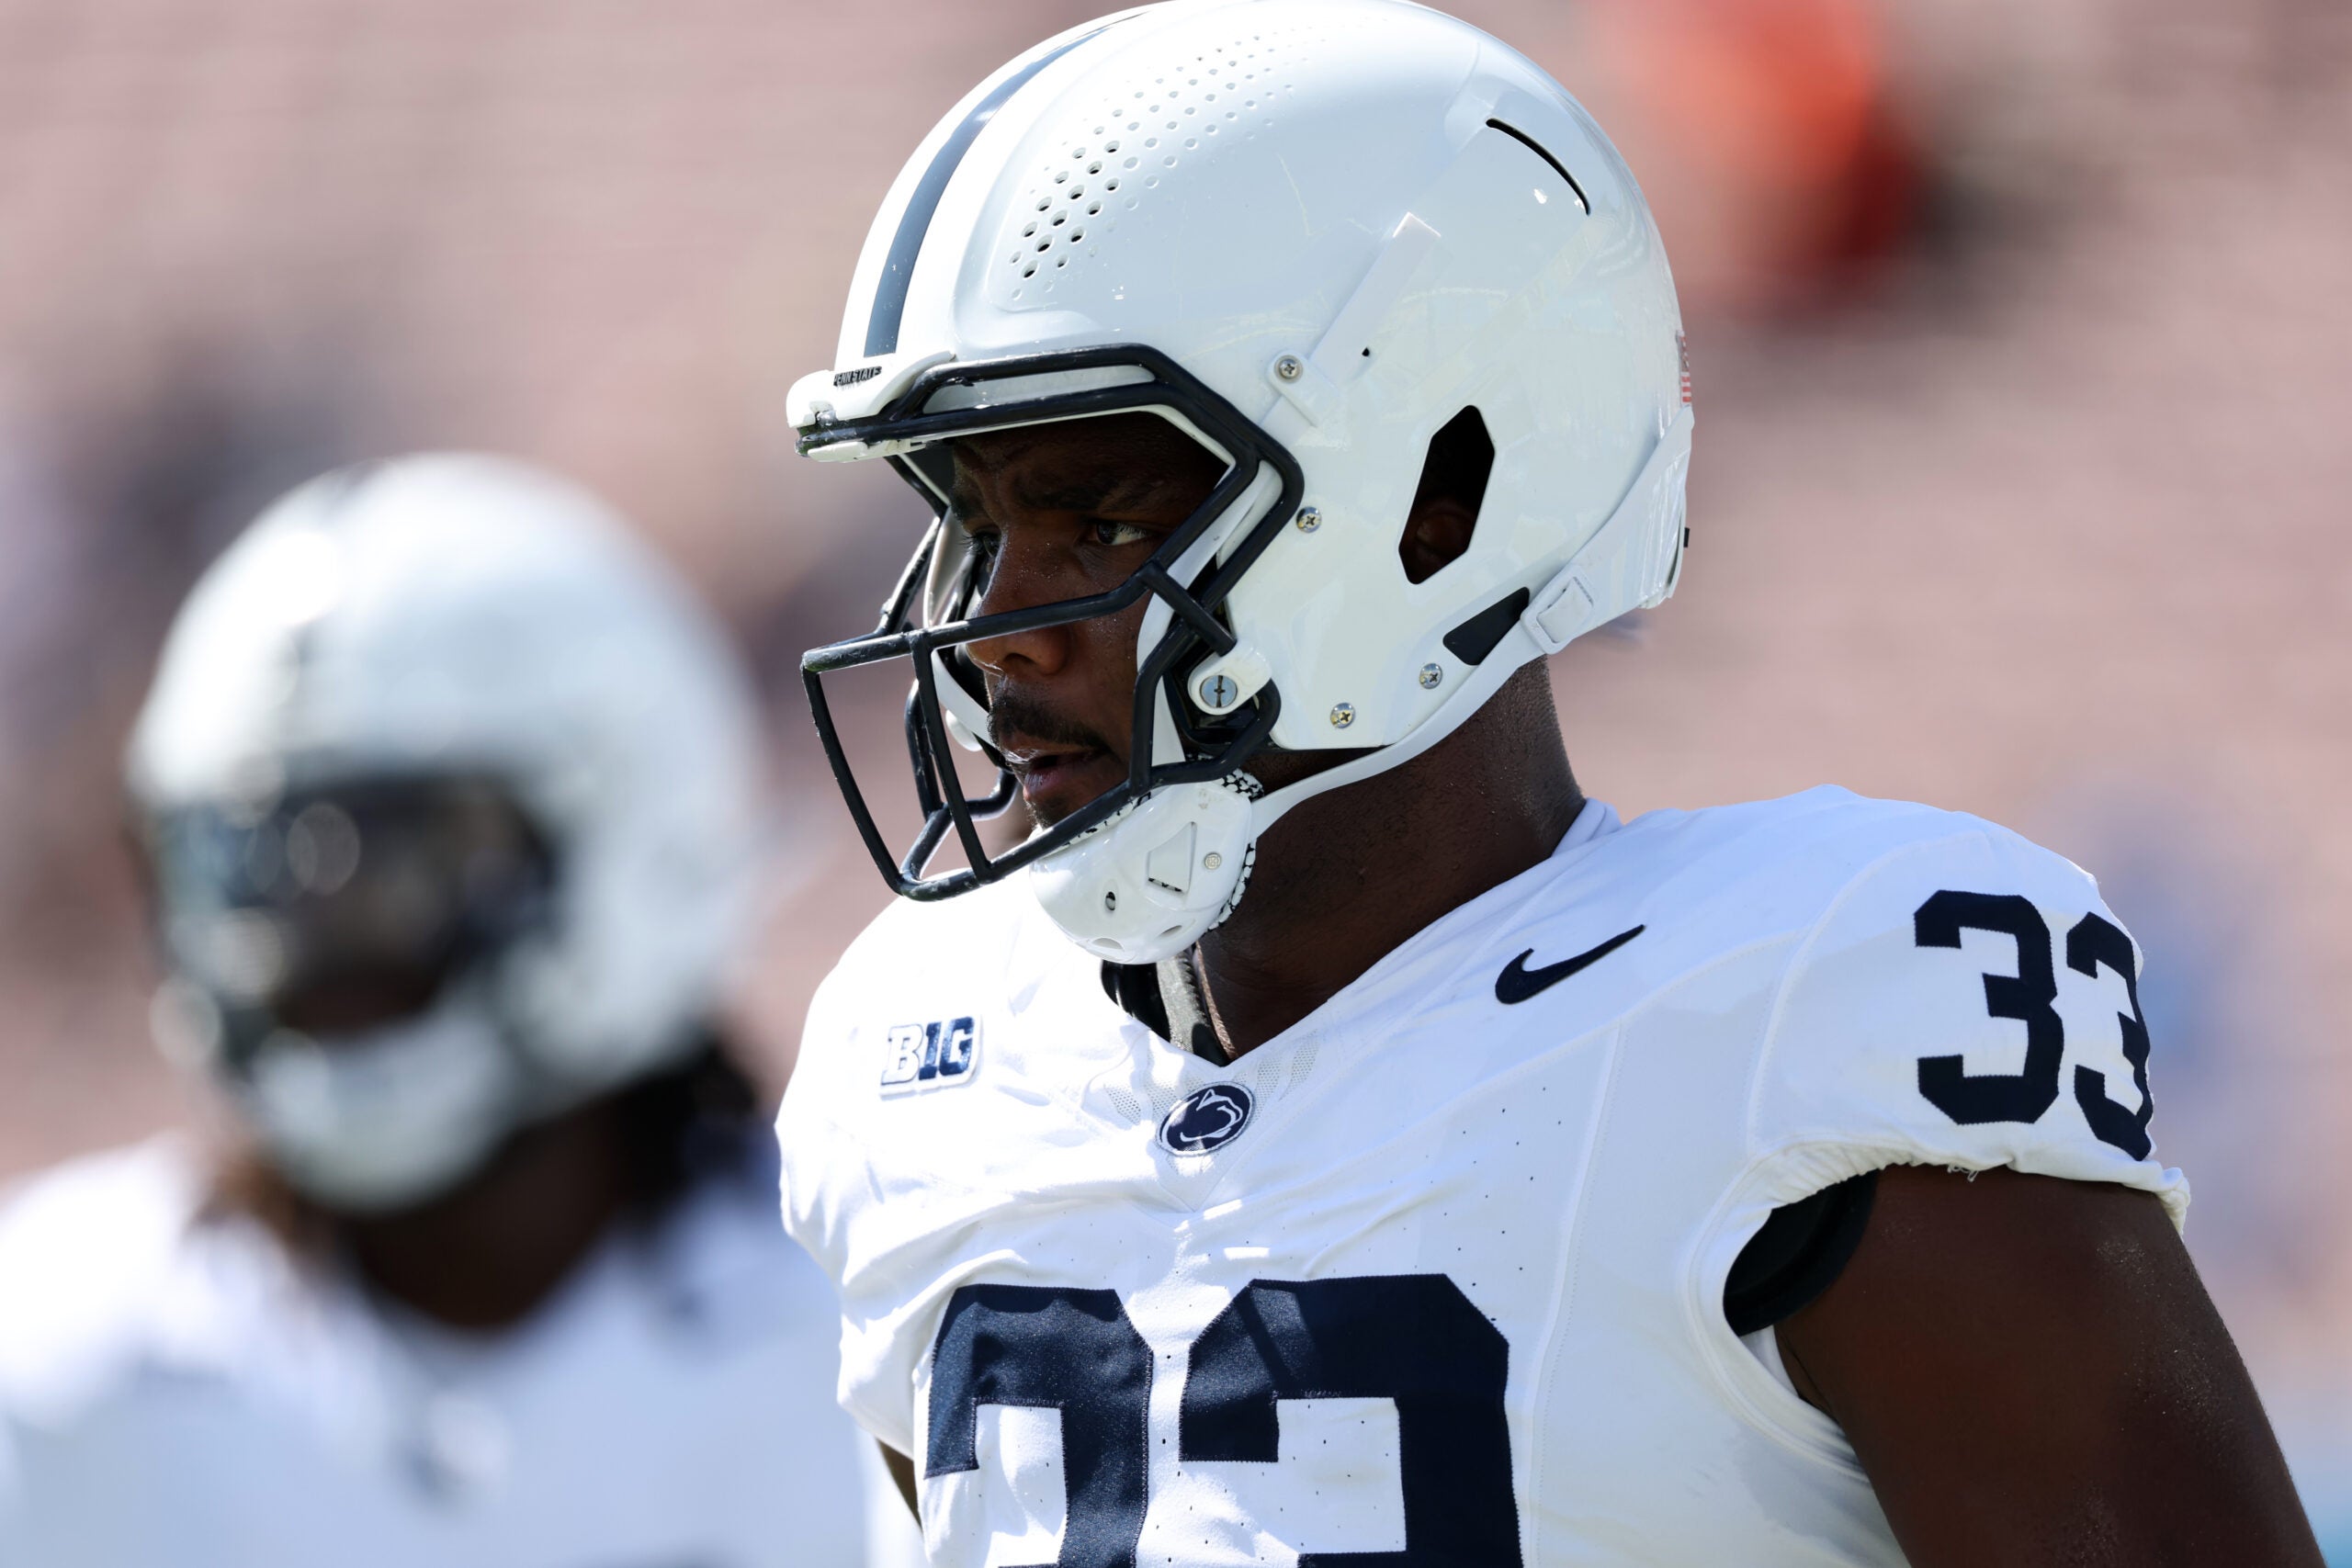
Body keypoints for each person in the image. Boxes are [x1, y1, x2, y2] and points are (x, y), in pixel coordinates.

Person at [771, 2, 2324, 1563]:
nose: (986, 627)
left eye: (1101, 519)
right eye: (970, 521)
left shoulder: (1793, 1026)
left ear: (1443, 500)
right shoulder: (924, 1066)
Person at [0, 455, 879, 1567]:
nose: (310, 949)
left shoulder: (876, 1321)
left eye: (398, 864)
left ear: (629, 838)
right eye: (251, 872)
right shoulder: (60, 1354)